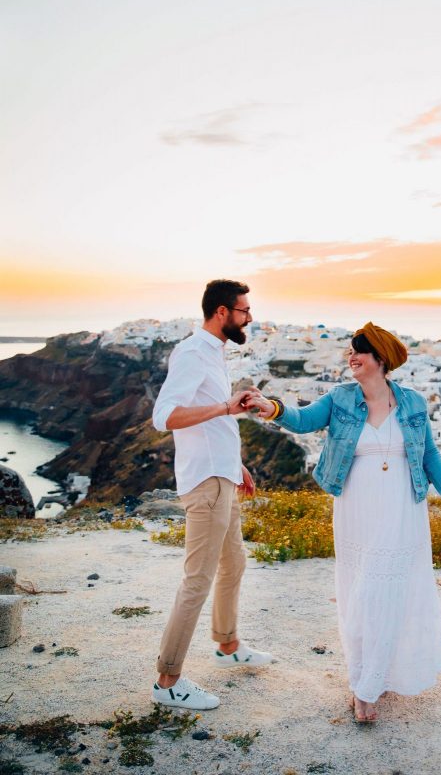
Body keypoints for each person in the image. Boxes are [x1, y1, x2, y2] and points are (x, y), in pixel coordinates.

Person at [244, 321, 441, 724]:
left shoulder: (412, 403)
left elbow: (430, 453)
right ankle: (363, 678)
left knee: (388, 591)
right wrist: (269, 407)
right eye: (349, 351)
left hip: (401, 508)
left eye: (358, 351)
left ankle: (371, 685)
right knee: (361, 592)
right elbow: (302, 420)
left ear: (380, 359)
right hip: (357, 507)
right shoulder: (341, 398)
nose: (351, 357)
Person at [150, 279, 274, 711]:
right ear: (222, 312)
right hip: (204, 482)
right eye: (244, 310)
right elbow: (164, 416)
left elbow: (213, 422)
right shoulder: (192, 352)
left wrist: (234, 461)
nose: (249, 317)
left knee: (234, 563)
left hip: (222, 475)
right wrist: (226, 407)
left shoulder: (216, 352)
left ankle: (228, 646)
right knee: (197, 579)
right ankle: (168, 680)